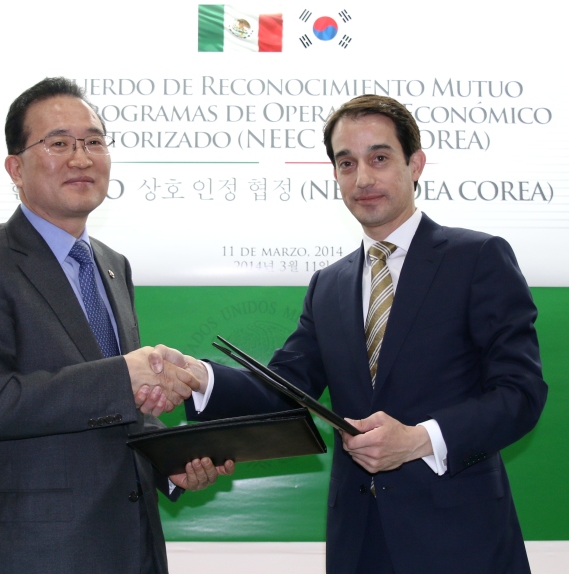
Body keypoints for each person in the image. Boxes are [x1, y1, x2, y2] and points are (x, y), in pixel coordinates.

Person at [163, 95, 548, 573]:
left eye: (379, 158)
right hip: (358, 542)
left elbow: (521, 393)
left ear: (416, 163)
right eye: (347, 163)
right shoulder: (330, 284)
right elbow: (287, 388)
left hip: (461, 542)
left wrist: (419, 438)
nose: (363, 178)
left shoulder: (477, 259)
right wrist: (201, 377)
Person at [0, 77, 233, 574]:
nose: (81, 158)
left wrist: (171, 462)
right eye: (59, 143)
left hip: (134, 545)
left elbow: (119, 410)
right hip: (41, 552)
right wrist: (125, 374)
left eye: (94, 142)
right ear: (15, 167)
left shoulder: (113, 264)